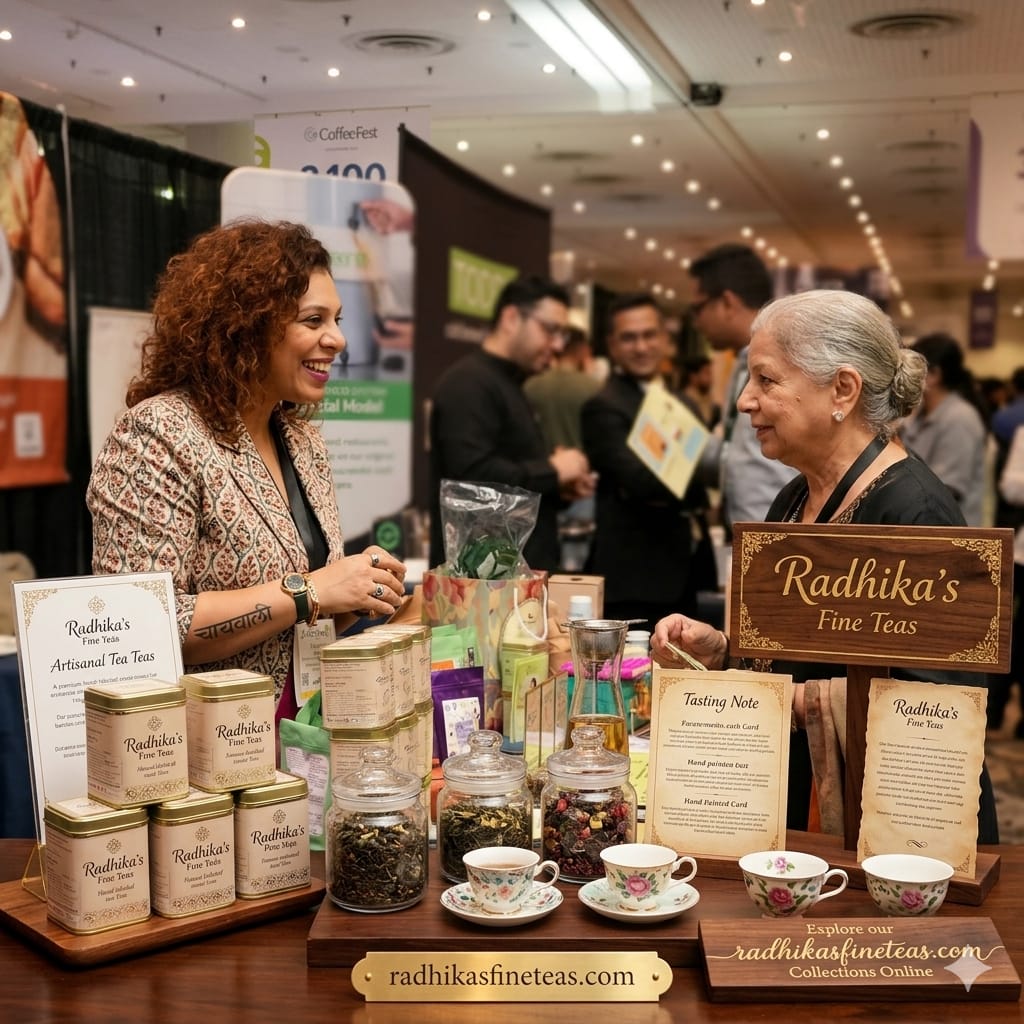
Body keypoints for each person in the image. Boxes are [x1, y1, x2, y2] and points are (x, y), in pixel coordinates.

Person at [651, 289, 999, 843]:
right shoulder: (793, 498)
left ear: (842, 389)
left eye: (766, 380)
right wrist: (721, 653)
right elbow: (792, 652)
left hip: (893, 835)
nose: (744, 401)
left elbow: (940, 708)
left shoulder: (917, 514)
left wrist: (788, 703)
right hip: (799, 813)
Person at [87, 219, 407, 711]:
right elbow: (140, 625)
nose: (338, 340)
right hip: (203, 740)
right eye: (313, 320)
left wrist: (359, 592)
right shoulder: (158, 433)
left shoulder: (301, 440)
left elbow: (299, 618)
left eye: (337, 320)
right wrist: (311, 591)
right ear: (246, 327)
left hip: (301, 728)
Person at [428, 275, 595, 572]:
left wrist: (560, 486)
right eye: (550, 330)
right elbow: (471, 479)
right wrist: (554, 470)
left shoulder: (512, 383)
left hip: (512, 575)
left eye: (563, 334)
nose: (558, 344)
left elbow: (514, 476)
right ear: (511, 318)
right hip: (480, 581)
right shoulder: (468, 383)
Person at [581, 293, 714, 628]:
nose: (641, 347)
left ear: (665, 339)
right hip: (635, 577)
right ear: (612, 345)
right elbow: (641, 481)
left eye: (649, 335)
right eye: (629, 338)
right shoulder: (603, 406)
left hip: (685, 569)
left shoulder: (682, 403)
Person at [689, 243, 796, 529]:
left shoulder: (786, 363)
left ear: (727, 303)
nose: (696, 322)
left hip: (776, 530)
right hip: (747, 529)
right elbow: (742, 455)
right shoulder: (740, 364)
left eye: (698, 309)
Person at [900, 332, 987, 526]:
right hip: (923, 524)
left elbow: (948, 487)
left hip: (951, 532)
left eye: (911, 369)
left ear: (934, 375)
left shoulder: (960, 418)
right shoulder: (921, 414)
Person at [524, 324, 600, 452]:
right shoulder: (595, 389)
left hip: (542, 460)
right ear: (583, 349)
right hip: (582, 460)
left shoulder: (530, 385)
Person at [681, 353, 721, 430]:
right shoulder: (682, 404)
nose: (711, 378)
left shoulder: (714, 409)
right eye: (706, 373)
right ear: (693, 377)